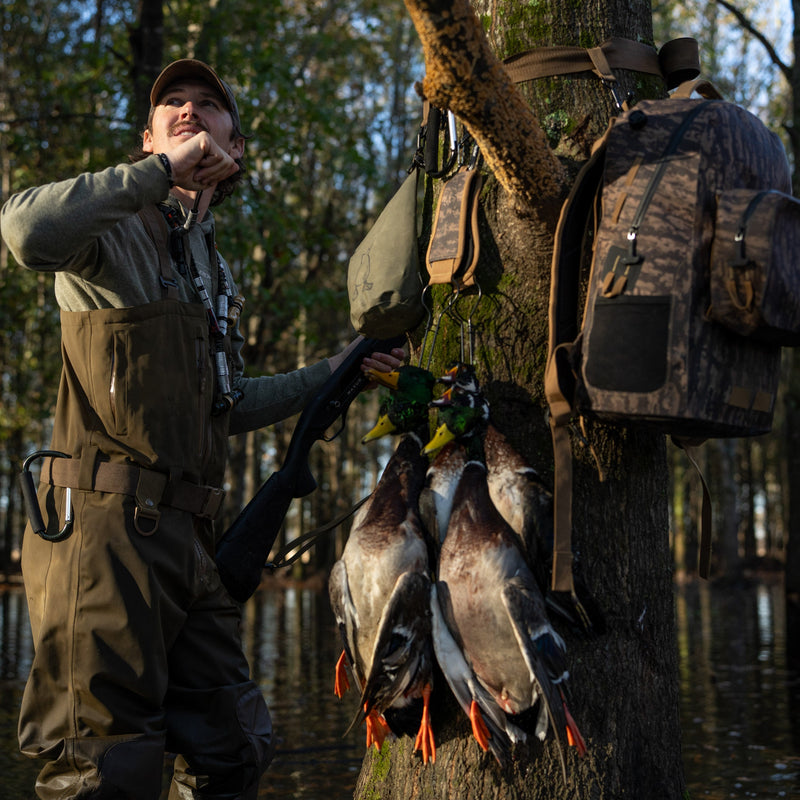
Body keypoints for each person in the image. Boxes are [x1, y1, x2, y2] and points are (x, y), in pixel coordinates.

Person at [0, 58, 404, 800]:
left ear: (235, 147)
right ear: (149, 140)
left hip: (190, 541)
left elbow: (231, 403)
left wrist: (340, 367)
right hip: (103, 533)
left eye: (208, 105)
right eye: (173, 105)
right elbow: (25, 230)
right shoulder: (109, 228)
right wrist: (157, 174)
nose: (189, 110)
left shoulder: (214, 269)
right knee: (104, 767)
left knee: (234, 748)